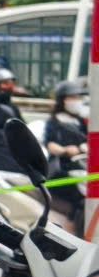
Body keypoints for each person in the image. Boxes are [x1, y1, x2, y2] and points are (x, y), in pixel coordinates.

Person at [46, 77, 88, 233]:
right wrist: (64, 150)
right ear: (62, 100)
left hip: (80, 167)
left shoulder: (79, 121)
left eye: (78, 97)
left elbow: (87, 139)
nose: (76, 101)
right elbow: (50, 144)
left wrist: (85, 146)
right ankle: (71, 230)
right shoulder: (54, 121)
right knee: (81, 197)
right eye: (72, 97)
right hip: (61, 170)